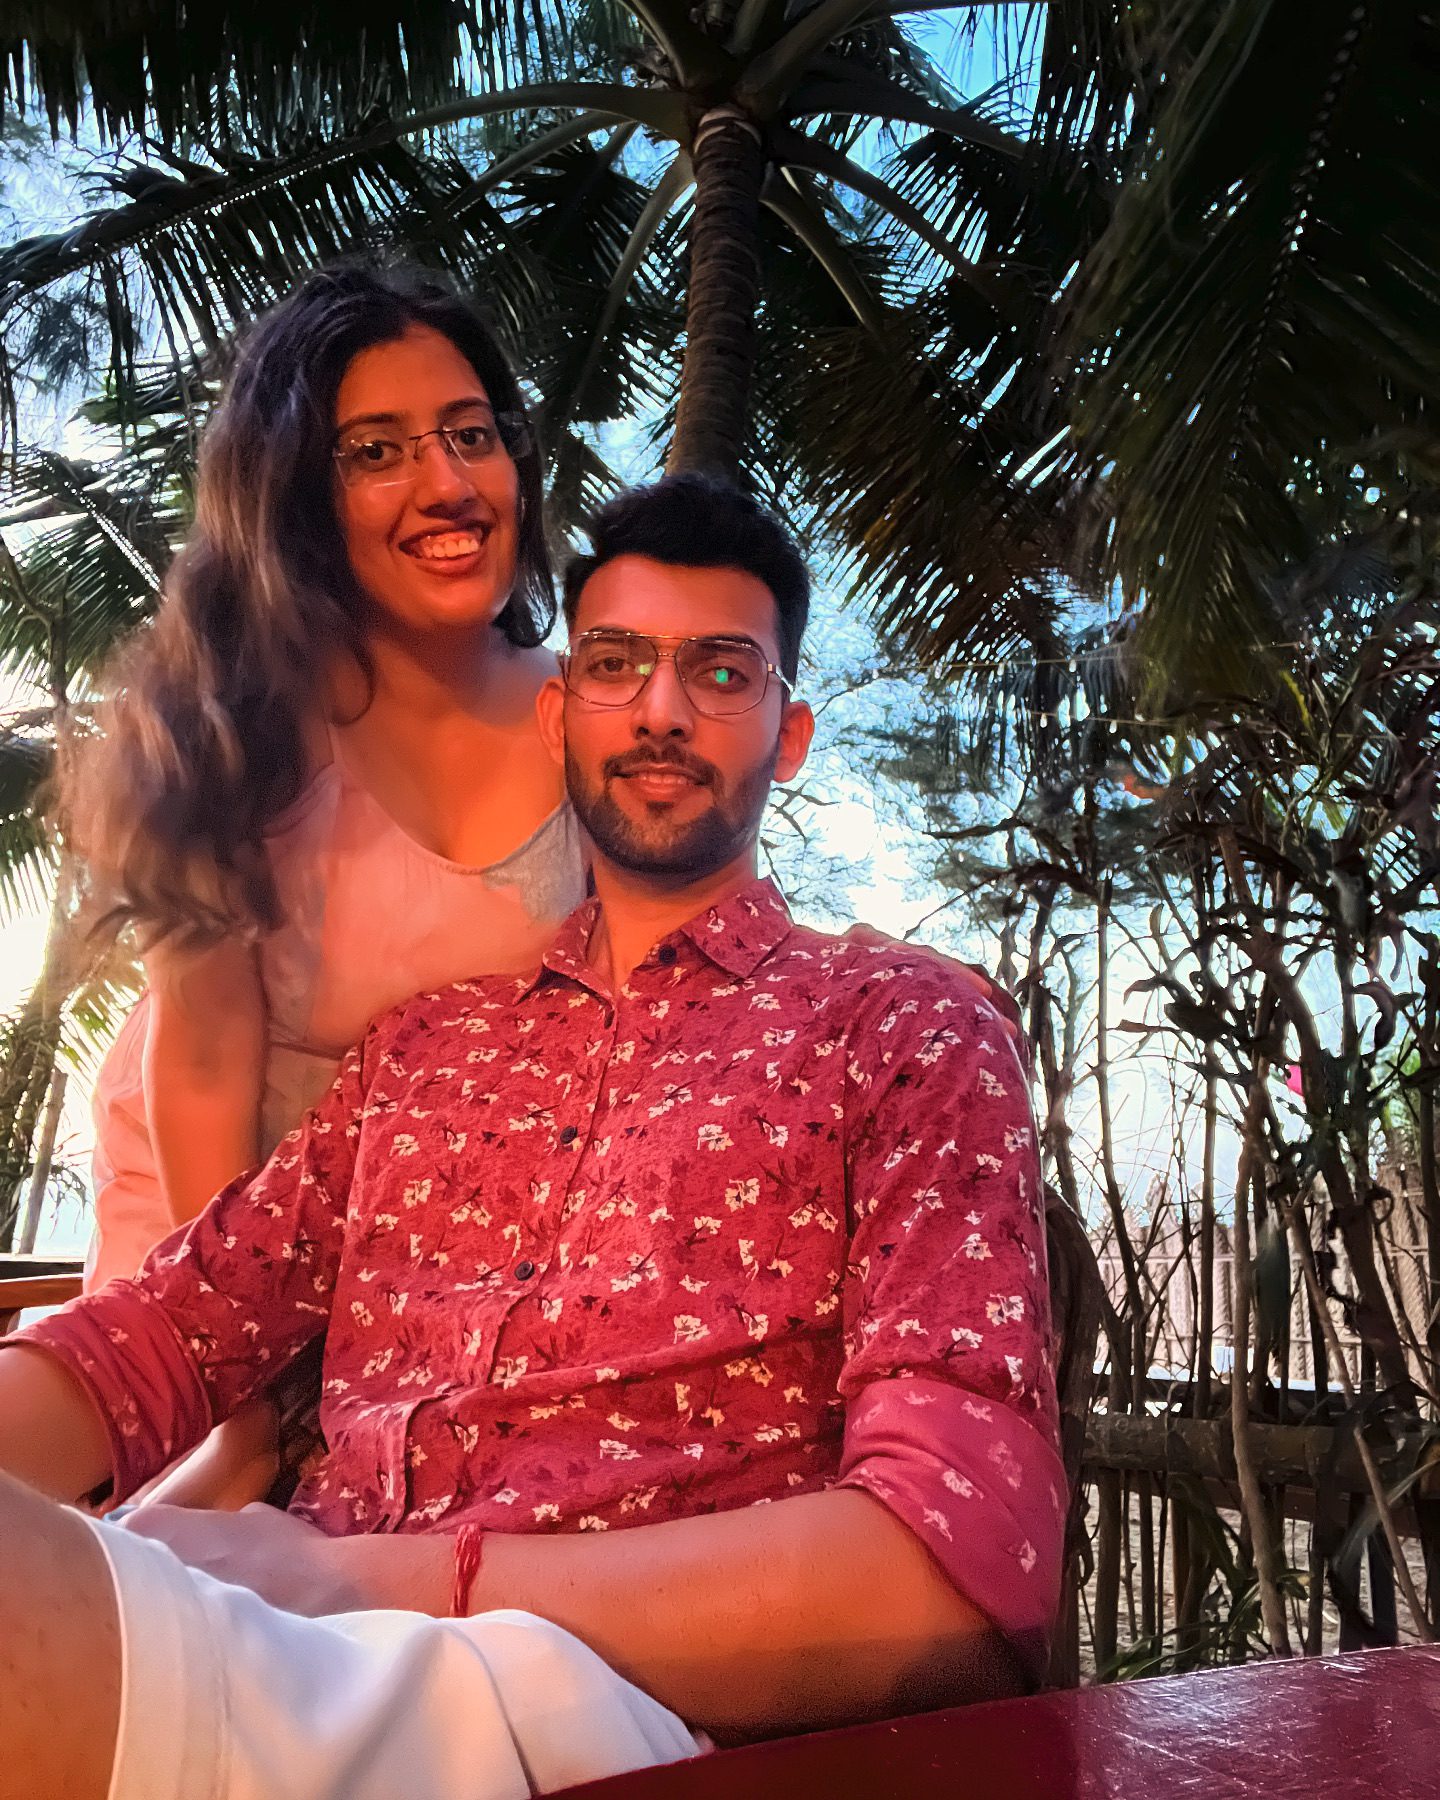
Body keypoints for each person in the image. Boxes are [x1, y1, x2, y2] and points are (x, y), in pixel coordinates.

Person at [0, 477, 1065, 1800]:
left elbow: (962, 1575)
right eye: (614, 664)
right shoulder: (422, 1050)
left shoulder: (898, 1022)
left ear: (787, 736)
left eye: (719, 672)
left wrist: (359, 1581)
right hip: (287, 1651)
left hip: (608, 1713)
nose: (661, 710)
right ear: (562, 714)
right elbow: (151, 1340)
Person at [61, 262, 586, 1499]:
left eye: (472, 435)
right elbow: (200, 1077)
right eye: (376, 452)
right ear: (297, 494)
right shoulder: (227, 737)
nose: (449, 485)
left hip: (478, 1280)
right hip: (215, 1261)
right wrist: (238, 1418)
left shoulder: (593, 713)